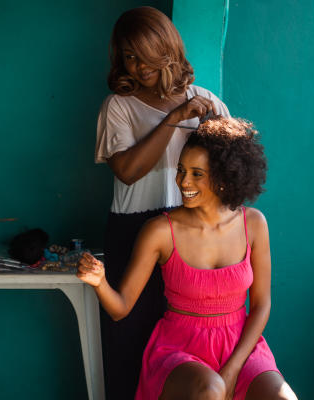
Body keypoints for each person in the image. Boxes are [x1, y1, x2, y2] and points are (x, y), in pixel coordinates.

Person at [81, 117, 297, 399]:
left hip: (241, 344)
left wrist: (232, 369)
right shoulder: (160, 231)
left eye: (197, 174)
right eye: (181, 170)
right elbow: (119, 308)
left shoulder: (254, 224)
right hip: (179, 348)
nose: (183, 181)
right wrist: (98, 281)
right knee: (211, 390)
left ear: (223, 178)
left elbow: (261, 305)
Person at [95, 6, 230, 396]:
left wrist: (212, 133)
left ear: (166, 47)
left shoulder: (205, 101)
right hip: (133, 229)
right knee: (129, 344)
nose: (138, 66)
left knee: (186, 349)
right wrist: (174, 118)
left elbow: (233, 172)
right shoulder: (118, 107)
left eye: (145, 53)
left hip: (191, 233)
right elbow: (128, 171)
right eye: (129, 57)